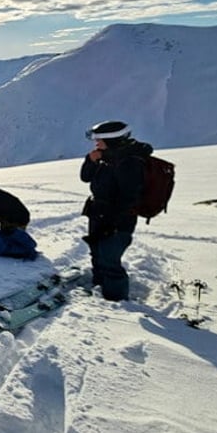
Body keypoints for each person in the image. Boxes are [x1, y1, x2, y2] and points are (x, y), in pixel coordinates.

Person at [80, 120, 152, 301]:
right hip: (98, 213)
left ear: (112, 140)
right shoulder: (105, 156)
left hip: (117, 220)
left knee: (109, 260)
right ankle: (99, 288)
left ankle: (116, 302)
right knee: (97, 254)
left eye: (99, 139)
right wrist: (90, 161)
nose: (96, 143)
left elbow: (129, 197)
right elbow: (85, 177)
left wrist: (112, 223)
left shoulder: (130, 162)